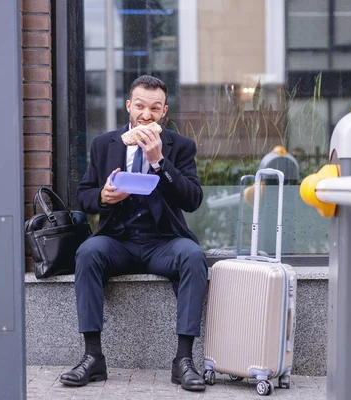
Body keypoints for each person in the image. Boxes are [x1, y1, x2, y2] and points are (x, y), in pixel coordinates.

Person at [59, 75, 208, 392]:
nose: (146, 114)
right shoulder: (104, 144)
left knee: (194, 256)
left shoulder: (179, 147)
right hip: (118, 241)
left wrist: (160, 162)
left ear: (164, 111)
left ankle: (183, 360)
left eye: (155, 108)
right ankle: (92, 357)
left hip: (163, 243)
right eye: (140, 106)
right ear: (129, 106)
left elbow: (193, 199)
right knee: (87, 252)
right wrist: (103, 197)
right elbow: (83, 195)